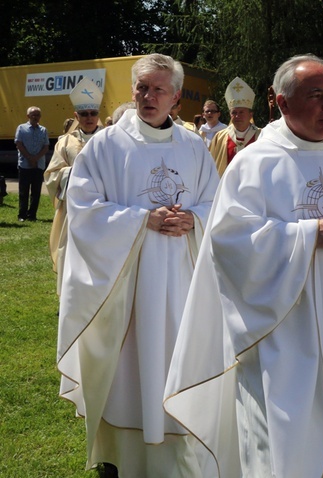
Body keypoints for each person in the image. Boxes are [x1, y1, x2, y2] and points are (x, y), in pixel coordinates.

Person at [163, 54, 323, 478]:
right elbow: (230, 241)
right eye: (316, 96)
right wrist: (311, 235)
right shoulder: (256, 164)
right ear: (282, 103)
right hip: (282, 331)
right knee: (282, 441)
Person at [56, 53, 219, 477]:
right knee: (128, 367)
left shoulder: (193, 146)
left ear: (177, 98)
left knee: (176, 359)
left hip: (181, 278)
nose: (148, 96)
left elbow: (216, 202)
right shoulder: (106, 146)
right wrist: (140, 220)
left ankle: (178, 455)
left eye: (158, 89)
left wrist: (195, 217)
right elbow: (84, 208)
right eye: (142, 88)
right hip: (125, 282)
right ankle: (121, 457)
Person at [44, 78, 103, 294]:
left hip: (103, 207)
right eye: (84, 114)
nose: (89, 118)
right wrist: (75, 172)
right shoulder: (65, 142)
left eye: (93, 113)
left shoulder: (111, 139)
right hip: (73, 208)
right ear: (76, 116)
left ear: (98, 114)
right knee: (70, 250)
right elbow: (51, 175)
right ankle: (70, 295)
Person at [208, 77, 261, 176]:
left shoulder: (261, 136)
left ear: (250, 115)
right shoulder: (220, 137)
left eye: (241, 112)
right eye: (234, 112)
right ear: (230, 115)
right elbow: (209, 167)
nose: (237, 116)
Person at [15, 106, 49, 222]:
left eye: (38, 115)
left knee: (36, 192)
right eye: (33, 115)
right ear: (28, 116)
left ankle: (32, 215)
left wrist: (36, 158)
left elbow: (46, 147)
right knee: (23, 191)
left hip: (38, 165)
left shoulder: (43, 130)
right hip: (24, 165)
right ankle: (22, 215)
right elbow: (19, 144)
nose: (36, 117)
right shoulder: (21, 128)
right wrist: (30, 158)